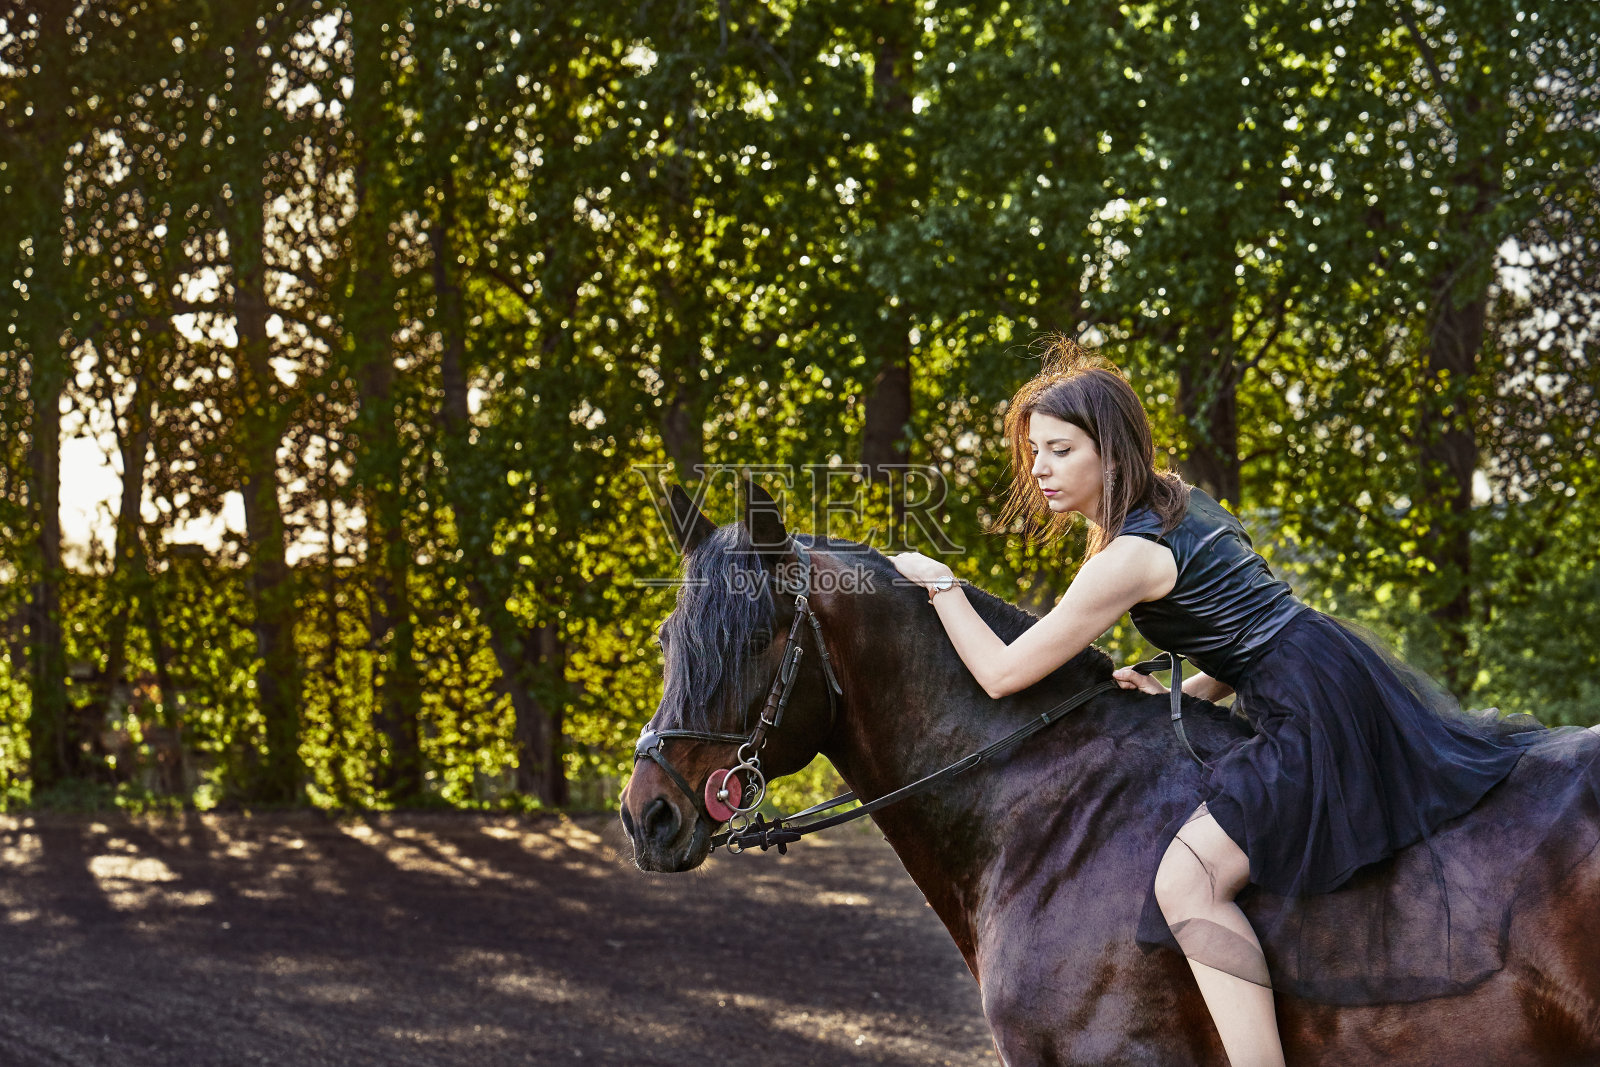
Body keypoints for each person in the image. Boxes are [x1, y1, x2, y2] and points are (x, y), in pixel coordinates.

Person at [889, 342, 1527, 1066]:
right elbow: (1251, 628)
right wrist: (1186, 689)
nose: (1039, 469)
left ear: (1110, 448)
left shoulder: (1126, 557)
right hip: (1323, 670)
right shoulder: (1182, 502)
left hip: (1309, 703)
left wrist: (940, 584)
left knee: (1188, 880)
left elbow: (1004, 674)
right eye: (1035, 450)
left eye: (1060, 450)